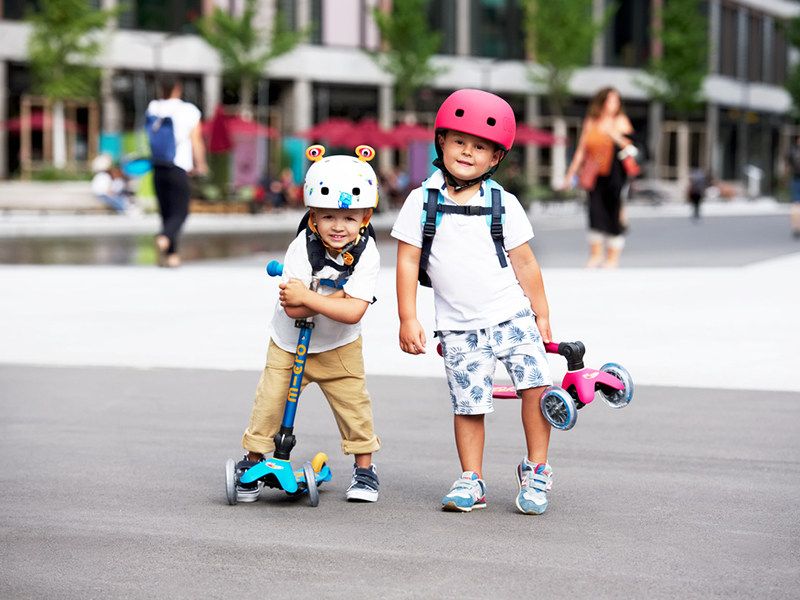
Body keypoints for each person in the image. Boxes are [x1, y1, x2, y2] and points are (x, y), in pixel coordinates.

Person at [392, 89, 555, 515]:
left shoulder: (504, 203)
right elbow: (407, 262)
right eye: (459, 141)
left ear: (495, 158)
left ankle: (536, 469)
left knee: (536, 388)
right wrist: (408, 317)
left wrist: (542, 313)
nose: (468, 151)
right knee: (469, 405)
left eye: (480, 146)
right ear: (440, 141)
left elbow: (525, 263)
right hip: (458, 325)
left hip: (511, 315)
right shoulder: (421, 202)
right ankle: (472, 479)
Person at [236, 146, 382, 503]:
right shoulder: (301, 247)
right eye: (328, 216)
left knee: (354, 407)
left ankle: (365, 470)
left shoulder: (368, 254)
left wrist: (312, 297)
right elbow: (293, 310)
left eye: (349, 217)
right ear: (313, 216)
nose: (338, 226)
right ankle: (252, 463)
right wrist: (337, 299)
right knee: (269, 403)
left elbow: (354, 313)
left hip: (340, 345)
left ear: (365, 218)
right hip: (289, 344)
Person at [563, 87, 635, 268]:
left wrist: (615, 135)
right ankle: (596, 255)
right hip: (594, 174)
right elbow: (581, 150)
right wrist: (570, 174)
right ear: (602, 102)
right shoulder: (591, 122)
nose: (614, 104)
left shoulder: (621, 121)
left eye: (617, 101)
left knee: (613, 213)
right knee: (595, 213)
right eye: (611, 100)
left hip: (615, 175)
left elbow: (631, 147)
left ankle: (612, 258)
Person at [146, 74, 207, 268]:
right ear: (178, 88)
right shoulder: (189, 110)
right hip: (178, 166)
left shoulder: (153, 107)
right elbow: (196, 141)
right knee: (180, 212)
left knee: (166, 213)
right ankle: (164, 239)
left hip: (157, 166)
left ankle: (172, 257)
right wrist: (200, 164)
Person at [787, 136, 800, 238]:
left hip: (795, 179)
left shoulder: (792, 151)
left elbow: (787, 166)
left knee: (796, 204)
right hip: (796, 180)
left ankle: (796, 228)